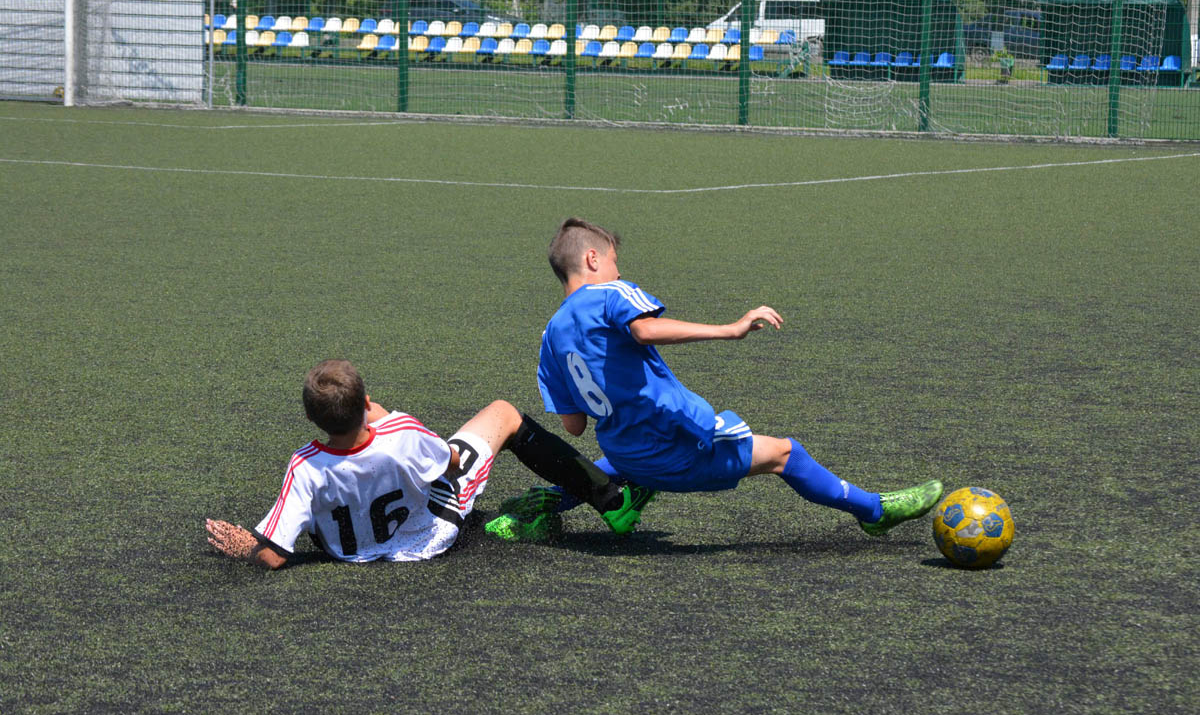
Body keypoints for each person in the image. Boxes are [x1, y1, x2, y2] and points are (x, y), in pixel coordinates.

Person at [521, 217, 942, 536]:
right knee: (786, 454)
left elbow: (574, 426)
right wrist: (730, 328)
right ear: (593, 259)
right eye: (614, 261)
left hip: (627, 452)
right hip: (676, 446)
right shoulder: (611, 293)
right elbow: (644, 330)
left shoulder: (549, 337)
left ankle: (537, 509)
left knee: (618, 462)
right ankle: (874, 511)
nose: (617, 271)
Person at [205, 359, 649, 568]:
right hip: (432, 534)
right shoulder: (401, 432)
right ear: (365, 402)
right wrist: (388, 418)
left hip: (351, 551)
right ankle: (612, 499)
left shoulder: (304, 466)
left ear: (311, 418)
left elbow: (273, 556)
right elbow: (450, 463)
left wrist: (248, 547)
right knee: (504, 414)